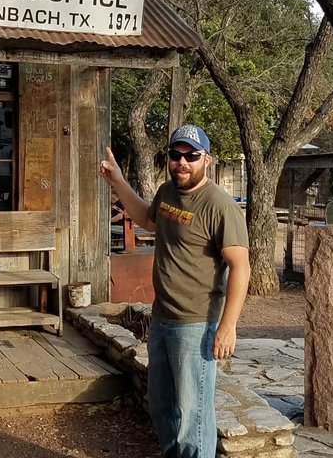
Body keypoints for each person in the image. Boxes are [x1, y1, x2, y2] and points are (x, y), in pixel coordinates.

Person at [99, 124, 250, 458]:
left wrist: (228, 327)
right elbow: (149, 220)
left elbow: (241, 266)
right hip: (163, 318)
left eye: (191, 156)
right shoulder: (168, 192)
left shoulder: (220, 206)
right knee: (164, 407)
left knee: (193, 417)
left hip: (196, 324)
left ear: (206, 160)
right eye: (176, 155)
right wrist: (118, 183)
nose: (183, 162)